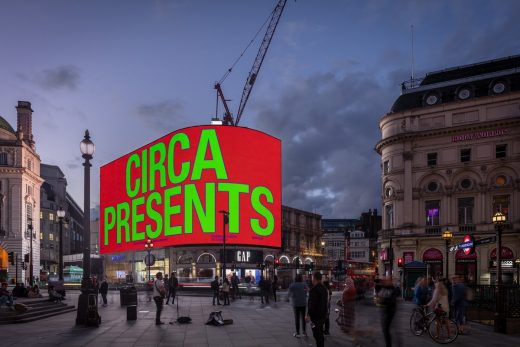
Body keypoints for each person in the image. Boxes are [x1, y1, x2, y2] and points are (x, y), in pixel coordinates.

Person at [306, 272, 328, 347]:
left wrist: (308, 315)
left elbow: (312, 304)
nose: (311, 279)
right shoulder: (324, 288)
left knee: (316, 334)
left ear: (314, 278)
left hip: (315, 317)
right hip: (323, 315)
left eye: (312, 277)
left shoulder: (313, 290)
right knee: (320, 333)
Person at [378, 277, 399, 347]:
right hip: (384, 310)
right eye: (385, 281)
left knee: (386, 329)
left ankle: (389, 344)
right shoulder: (384, 288)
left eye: (387, 281)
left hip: (390, 311)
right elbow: (380, 295)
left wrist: (383, 300)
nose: (386, 282)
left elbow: (391, 301)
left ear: (390, 282)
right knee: (385, 329)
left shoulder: (393, 289)